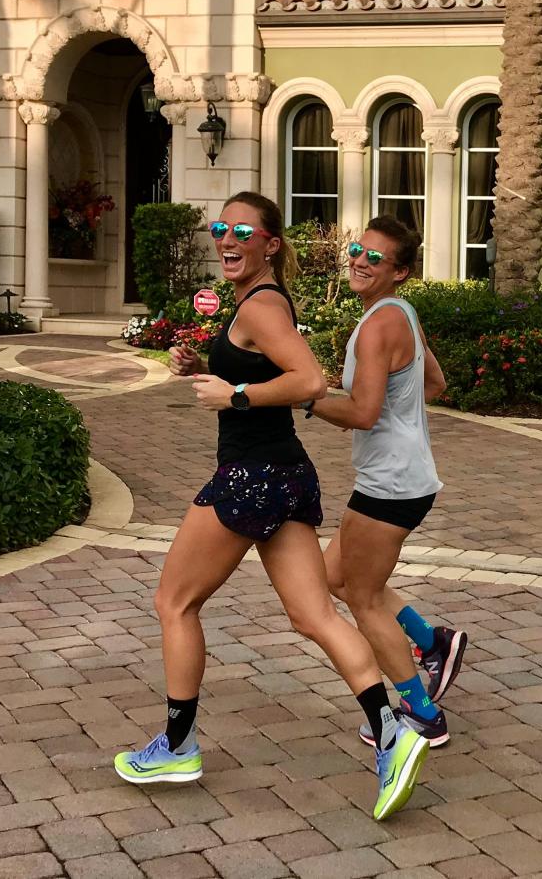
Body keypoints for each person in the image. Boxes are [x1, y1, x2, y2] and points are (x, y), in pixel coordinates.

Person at [114, 193, 429, 821]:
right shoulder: (263, 303)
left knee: (174, 602)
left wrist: (232, 396)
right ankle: (395, 733)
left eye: (242, 231)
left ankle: (176, 746)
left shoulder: (260, 305)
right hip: (284, 475)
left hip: (251, 476)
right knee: (314, 616)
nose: (226, 239)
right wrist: (208, 368)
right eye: (220, 228)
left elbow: (308, 382)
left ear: (270, 245)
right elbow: (272, 373)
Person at [303, 215, 468, 748]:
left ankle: (421, 714)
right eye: (357, 248)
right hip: (402, 475)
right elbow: (435, 383)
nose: (359, 260)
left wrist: (305, 397)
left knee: (365, 599)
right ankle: (431, 640)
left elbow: (363, 413)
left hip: (389, 485)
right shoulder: (401, 314)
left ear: (400, 272)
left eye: (375, 257)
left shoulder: (378, 325)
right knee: (335, 578)